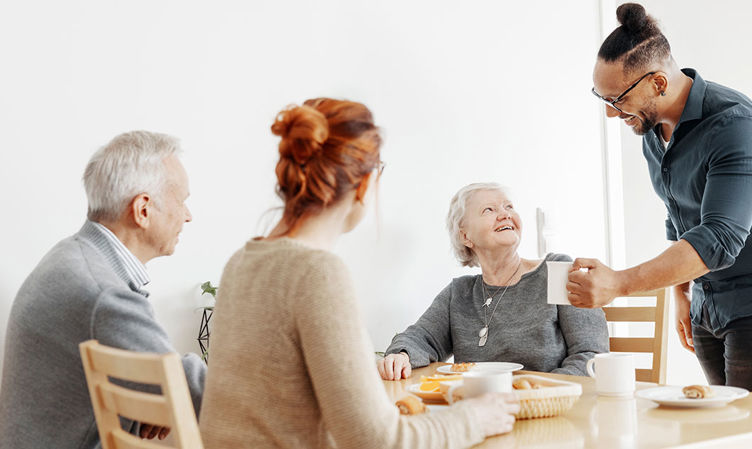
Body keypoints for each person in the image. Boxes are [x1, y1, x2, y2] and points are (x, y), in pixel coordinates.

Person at [198, 99, 519, 448]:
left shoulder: (240, 262)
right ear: (365, 183)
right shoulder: (317, 273)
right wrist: (476, 417)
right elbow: (379, 442)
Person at [0, 131, 206, 448]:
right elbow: (185, 385)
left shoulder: (73, 256)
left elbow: (162, 378)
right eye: (183, 201)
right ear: (143, 210)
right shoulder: (102, 292)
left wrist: (150, 398)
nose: (188, 215)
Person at [576, 2, 752, 389]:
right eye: (602, 99)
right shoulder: (652, 131)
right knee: (720, 427)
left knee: (744, 429)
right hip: (707, 306)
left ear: (658, 83)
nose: (611, 113)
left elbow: (719, 238)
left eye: (616, 100)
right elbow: (679, 216)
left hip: (748, 304)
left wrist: (619, 283)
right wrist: (682, 294)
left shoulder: (735, 125)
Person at [378, 183, 609, 380]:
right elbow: (420, 338)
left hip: (550, 409)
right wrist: (401, 354)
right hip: (482, 413)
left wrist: (539, 392)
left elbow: (592, 355)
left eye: (509, 206)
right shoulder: (459, 294)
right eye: (489, 209)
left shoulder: (557, 270)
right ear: (465, 236)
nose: (505, 213)